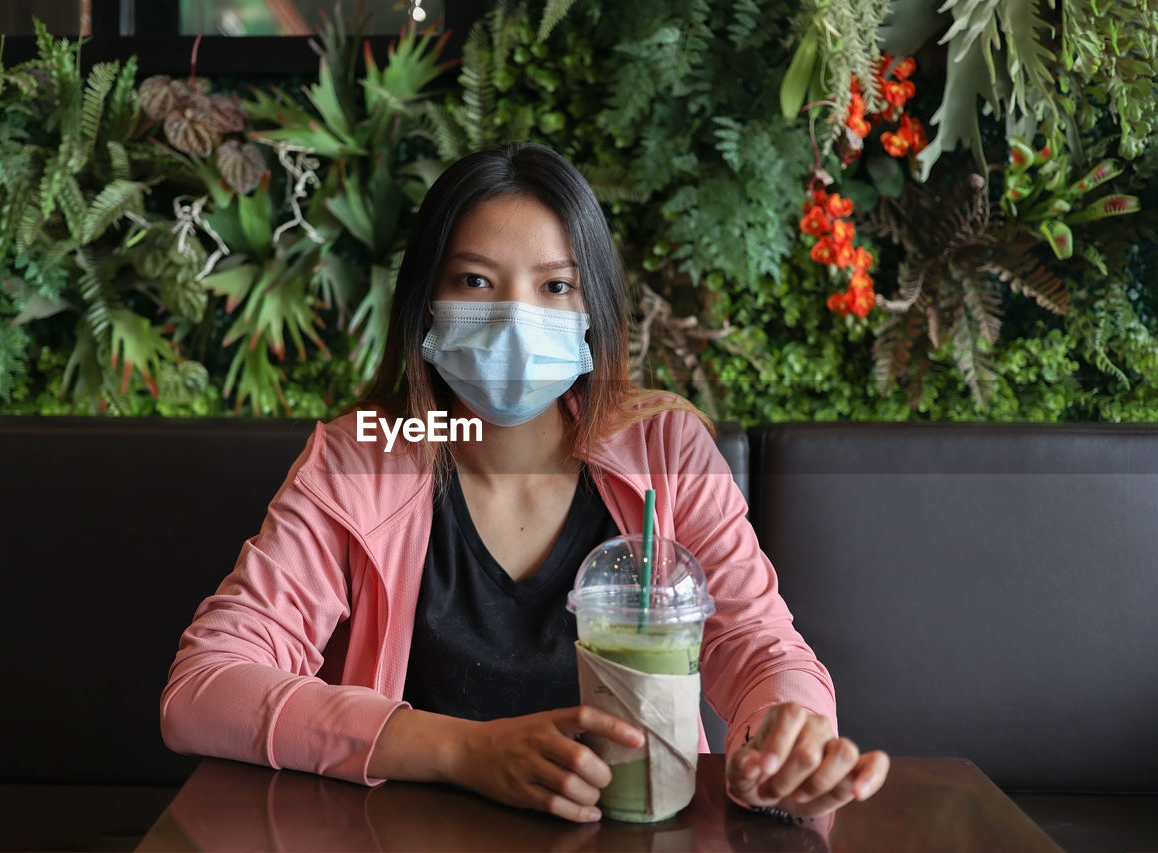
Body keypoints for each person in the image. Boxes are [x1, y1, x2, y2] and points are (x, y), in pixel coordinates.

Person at [161, 142, 888, 823]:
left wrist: (786, 730)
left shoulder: (662, 445)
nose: (516, 317)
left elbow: (759, 648)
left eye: (555, 285)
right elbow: (204, 688)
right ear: (427, 305)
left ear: (591, 312)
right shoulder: (366, 456)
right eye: (477, 280)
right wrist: (463, 750)